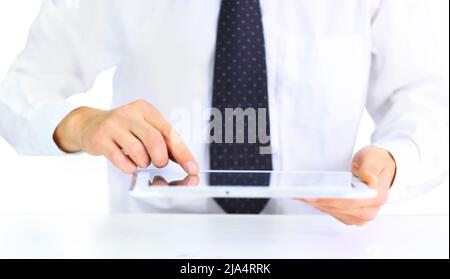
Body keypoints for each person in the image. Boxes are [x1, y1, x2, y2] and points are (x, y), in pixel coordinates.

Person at [0, 0, 448, 225]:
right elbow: (18, 91)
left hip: (320, 242)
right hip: (158, 247)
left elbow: (425, 101)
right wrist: (80, 124)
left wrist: (393, 164)